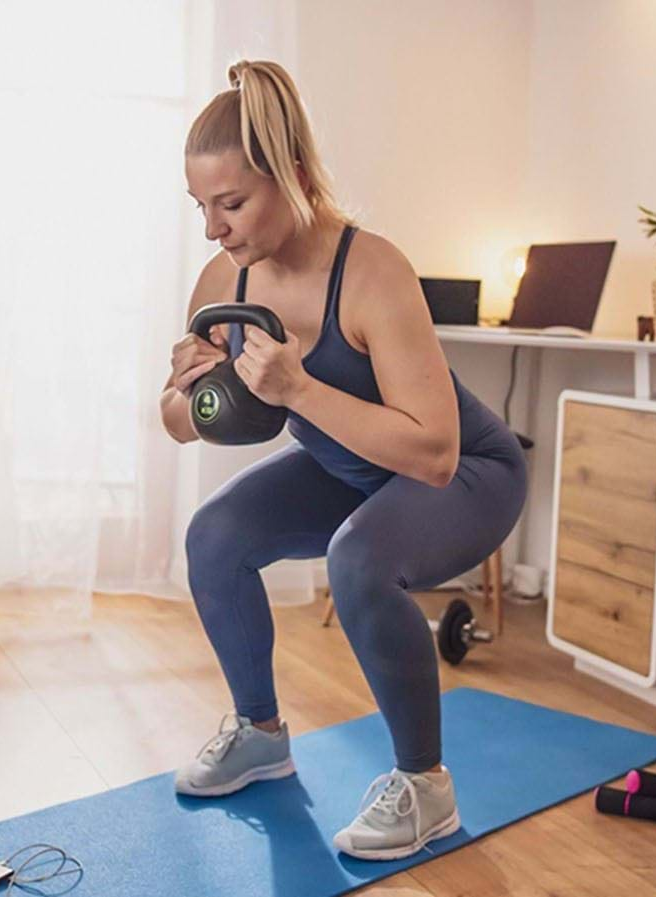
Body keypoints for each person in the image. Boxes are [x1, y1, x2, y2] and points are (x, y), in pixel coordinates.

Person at [158, 59, 528, 862]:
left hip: (470, 473)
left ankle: (425, 786)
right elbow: (182, 423)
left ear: (289, 178)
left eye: (231, 203)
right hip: (348, 466)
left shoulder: (372, 271)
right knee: (214, 535)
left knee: (357, 556)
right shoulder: (225, 276)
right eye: (201, 207)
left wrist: (295, 386)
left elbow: (433, 452)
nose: (214, 228)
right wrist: (189, 392)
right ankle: (259, 734)